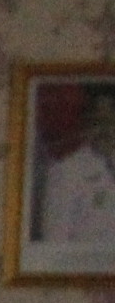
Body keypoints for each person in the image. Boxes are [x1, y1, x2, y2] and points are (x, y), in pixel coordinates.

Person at [33, 85, 115, 249]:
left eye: (110, 122)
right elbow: (54, 242)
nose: (104, 130)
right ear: (86, 125)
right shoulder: (65, 172)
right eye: (97, 122)